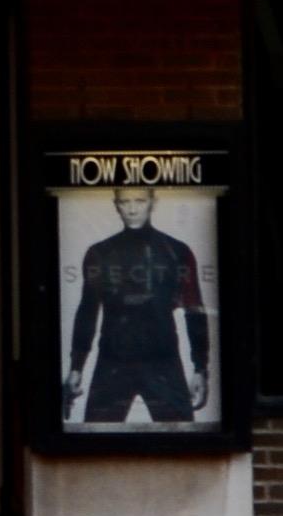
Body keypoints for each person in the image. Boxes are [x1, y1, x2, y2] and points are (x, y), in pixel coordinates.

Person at [65, 181, 208, 426]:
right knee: (96, 443)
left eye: (139, 201)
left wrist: (200, 367)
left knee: (182, 442)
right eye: (125, 201)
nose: (132, 209)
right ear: (116, 205)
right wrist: (76, 366)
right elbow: (88, 310)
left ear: (153, 202)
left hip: (162, 362)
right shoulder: (99, 253)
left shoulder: (176, 251)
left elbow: (194, 310)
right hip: (114, 361)